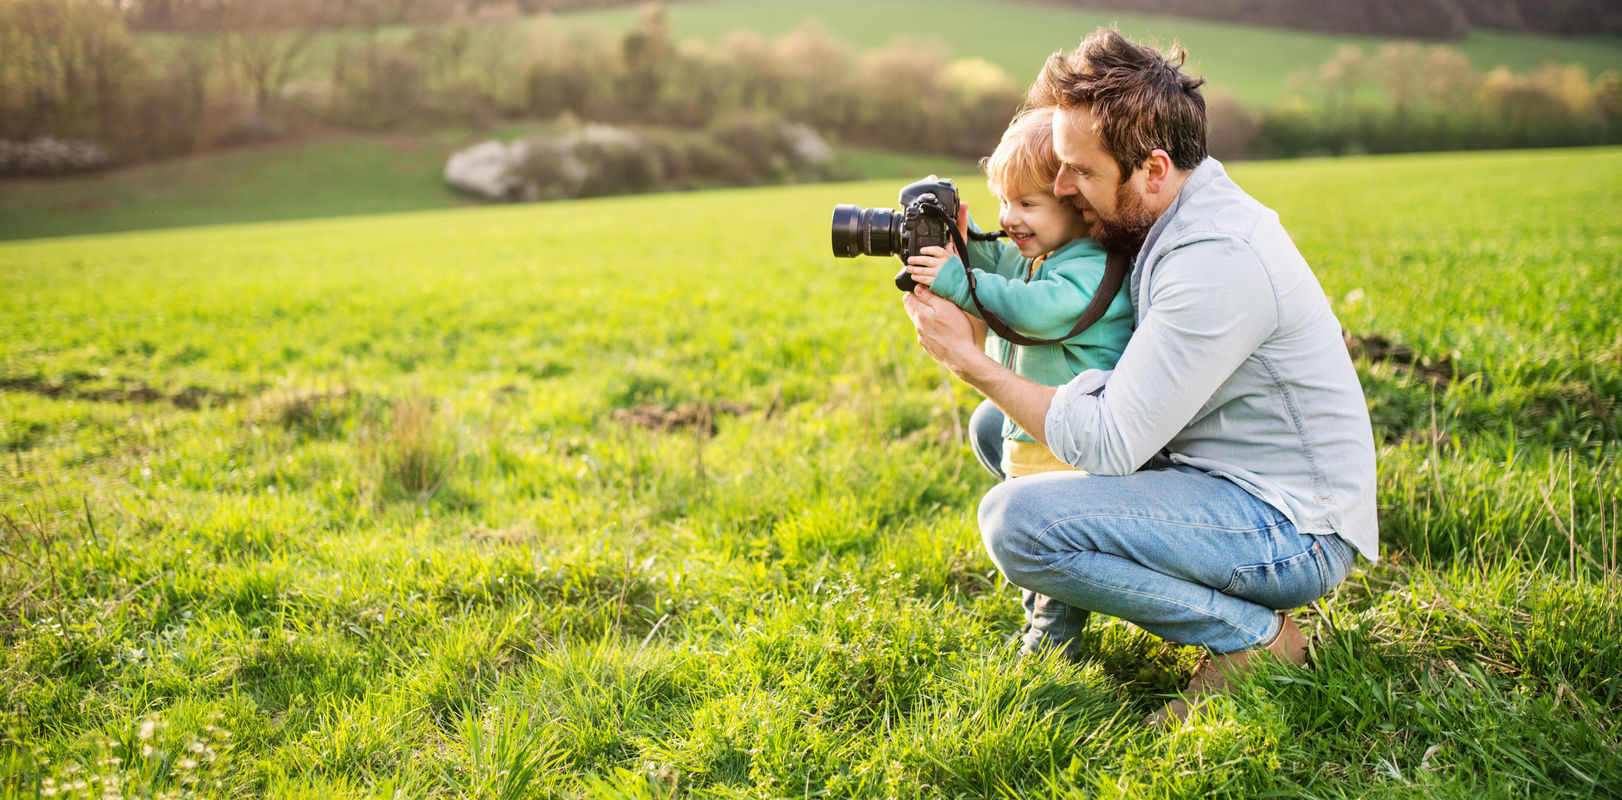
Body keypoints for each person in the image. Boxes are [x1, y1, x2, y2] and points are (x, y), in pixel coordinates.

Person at [901, 27, 1379, 726]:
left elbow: (1114, 440)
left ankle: (1255, 640)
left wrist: (970, 362)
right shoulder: (1168, 216)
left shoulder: (1213, 258)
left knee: (1018, 524)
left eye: (1080, 172)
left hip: (1288, 526)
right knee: (996, 428)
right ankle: (1070, 623)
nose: (1061, 188)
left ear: (1153, 170)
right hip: (1214, 474)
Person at [902, 106, 1133, 480]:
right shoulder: (1037, 255)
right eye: (1003, 202)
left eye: (1026, 204)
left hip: (1073, 453)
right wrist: (949, 222)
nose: (1009, 218)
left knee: (1027, 523)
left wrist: (959, 281)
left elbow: (1032, 309)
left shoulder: (1092, 268)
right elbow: (994, 261)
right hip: (1032, 438)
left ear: (1077, 202)